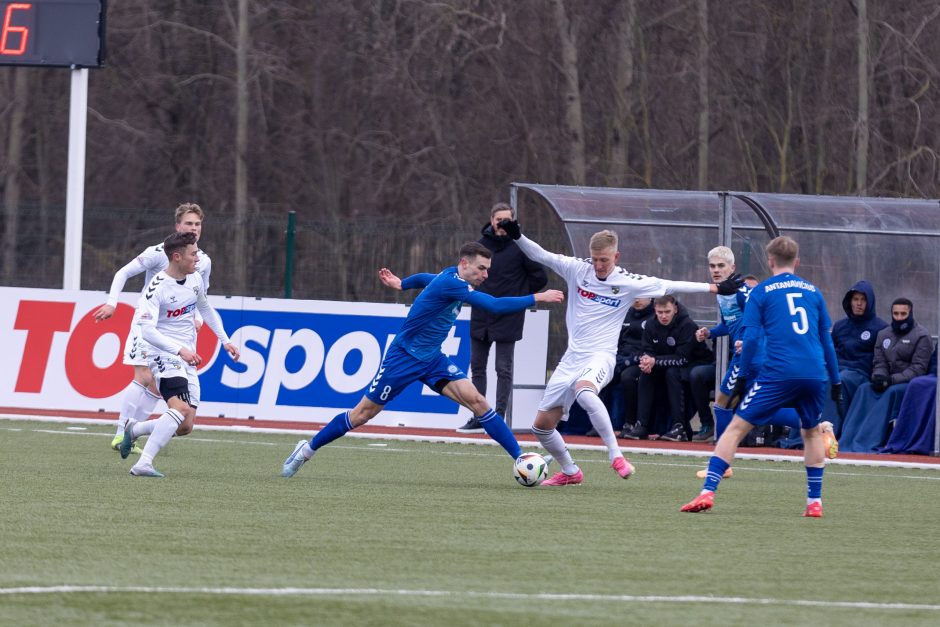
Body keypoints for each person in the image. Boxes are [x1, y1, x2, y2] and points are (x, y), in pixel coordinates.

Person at [280, 242, 564, 478]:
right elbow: (493, 305)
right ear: (464, 264)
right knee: (362, 415)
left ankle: (520, 457)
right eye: (481, 269)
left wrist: (402, 283)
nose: (485, 275)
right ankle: (306, 450)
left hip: (432, 359)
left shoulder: (449, 277)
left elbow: (425, 278)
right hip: (403, 358)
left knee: (477, 401)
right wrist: (537, 296)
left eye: (488, 270)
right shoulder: (453, 285)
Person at [500, 219, 742, 486]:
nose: (599, 265)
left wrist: (715, 288)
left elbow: (670, 284)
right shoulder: (577, 270)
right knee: (541, 427)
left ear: (616, 256)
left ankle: (616, 455)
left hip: (601, 355)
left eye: (604, 260)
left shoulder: (628, 282)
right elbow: (541, 255)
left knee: (585, 390)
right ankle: (571, 472)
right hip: (572, 357)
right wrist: (517, 236)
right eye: (595, 259)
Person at [681, 236, 841, 517]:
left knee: (735, 427)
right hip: (815, 372)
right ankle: (814, 503)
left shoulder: (761, 291)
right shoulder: (813, 292)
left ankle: (707, 491)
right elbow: (827, 341)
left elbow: (751, 336)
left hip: (777, 370)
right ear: (797, 262)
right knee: (810, 432)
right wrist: (836, 379)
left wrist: (742, 374)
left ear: (769, 261)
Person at [118, 231, 240, 477]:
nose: (198, 259)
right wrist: (179, 349)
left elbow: (205, 308)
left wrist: (225, 340)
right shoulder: (156, 289)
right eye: (193, 254)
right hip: (163, 354)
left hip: (186, 354)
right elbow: (147, 331)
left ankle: (135, 429)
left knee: (185, 425)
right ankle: (143, 463)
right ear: (177, 257)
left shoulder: (194, 279)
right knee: (181, 408)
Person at [95, 203, 212, 454]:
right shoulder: (158, 253)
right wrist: (112, 303)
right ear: (178, 226)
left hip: (175, 329)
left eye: (197, 224)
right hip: (148, 325)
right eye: (188, 223)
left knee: (160, 387)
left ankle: (132, 433)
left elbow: (203, 294)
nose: (194, 228)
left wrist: (199, 320)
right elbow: (122, 273)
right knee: (145, 376)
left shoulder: (202, 260)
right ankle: (120, 434)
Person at [457, 202, 548, 434]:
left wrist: (518, 294)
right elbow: (465, 272)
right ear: (492, 219)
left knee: (503, 368)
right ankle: (479, 415)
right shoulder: (480, 245)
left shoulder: (521, 247)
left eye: (508, 220)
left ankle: (497, 416)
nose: (503, 225)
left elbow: (540, 277)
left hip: (509, 315)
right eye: (500, 220)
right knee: (477, 367)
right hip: (481, 313)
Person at [839, 298, 932, 453]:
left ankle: (869, 441)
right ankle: (847, 439)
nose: (899, 317)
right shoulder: (884, 334)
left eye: (903, 314)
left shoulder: (922, 336)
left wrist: (892, 380)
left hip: (907, 384)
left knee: (889, 393)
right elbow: (879, 361)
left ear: (911, 313)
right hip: (886, 380)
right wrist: (879, 377)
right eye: (896, 313)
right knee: (864, 389)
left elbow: (918, 369)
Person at [622, 296, 713, 442]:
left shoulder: (687, 325)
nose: (663, 316)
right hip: (667, 362)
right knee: (645, 372)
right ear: (655, 311)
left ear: (675, 309)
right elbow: (647, 349)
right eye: (660, 312)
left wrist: (655, 361)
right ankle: (641, 425)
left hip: (694, 364)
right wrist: (647, 360)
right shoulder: (651, 324)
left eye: (667, 312)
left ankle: (679, 427)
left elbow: (682, 358)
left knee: (672, 373)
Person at [822, 281, 889, 435]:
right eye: (855, 299)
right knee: (818, 379)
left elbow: (882, 359)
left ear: (870, 302)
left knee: (841, 380)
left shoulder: (881, 328)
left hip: (860, 373)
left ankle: (832, 434)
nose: (859, 304)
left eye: (863, 300)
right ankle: (808, 434)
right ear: (849, 301)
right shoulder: (840, 326)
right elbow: (830, 353)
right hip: (838, 369)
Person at [879, 346, 938, 455]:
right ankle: (905, 438)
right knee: (916, 384)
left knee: (934, 387)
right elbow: (934, 361)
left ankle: (928, 442)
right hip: (936, 375)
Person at [616, 298, 655, 437]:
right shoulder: (624, 313)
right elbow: (617, 340)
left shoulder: (655, 316)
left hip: (642, 361)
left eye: (641, 295)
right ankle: (600, 424)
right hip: (622, 358)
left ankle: (630, 423)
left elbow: (650, 347)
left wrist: (631, 360)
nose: (637, 299)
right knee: (602, 375)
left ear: (650, 297)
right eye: (634, 295)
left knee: (628, 377)